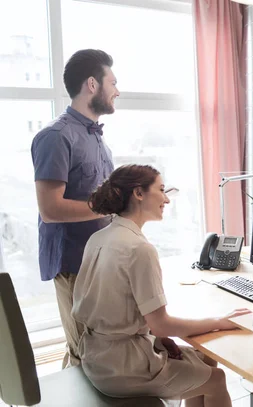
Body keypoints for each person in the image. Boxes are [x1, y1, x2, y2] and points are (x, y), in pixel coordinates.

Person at [72, 164, 250, 406]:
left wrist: (156, 337)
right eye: (162, 189)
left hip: (97, 356)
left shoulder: (99, 238)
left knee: (205, 360)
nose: (166, 199)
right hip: (123, 368)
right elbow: (161, 323)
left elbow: (118, 309)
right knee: (216, 379)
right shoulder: (139, 248)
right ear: (138, 193)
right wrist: (221, 321)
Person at [31, 49, 119, 368]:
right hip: (74, 265)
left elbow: (102, 202)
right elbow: (51, 209)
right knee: (86, 355)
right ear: (92, 85)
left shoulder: (97, 140)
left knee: (87, 353)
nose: (117, 91)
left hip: (101, 260)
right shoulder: (55, 137)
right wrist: (111, 205)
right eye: (113, 82)